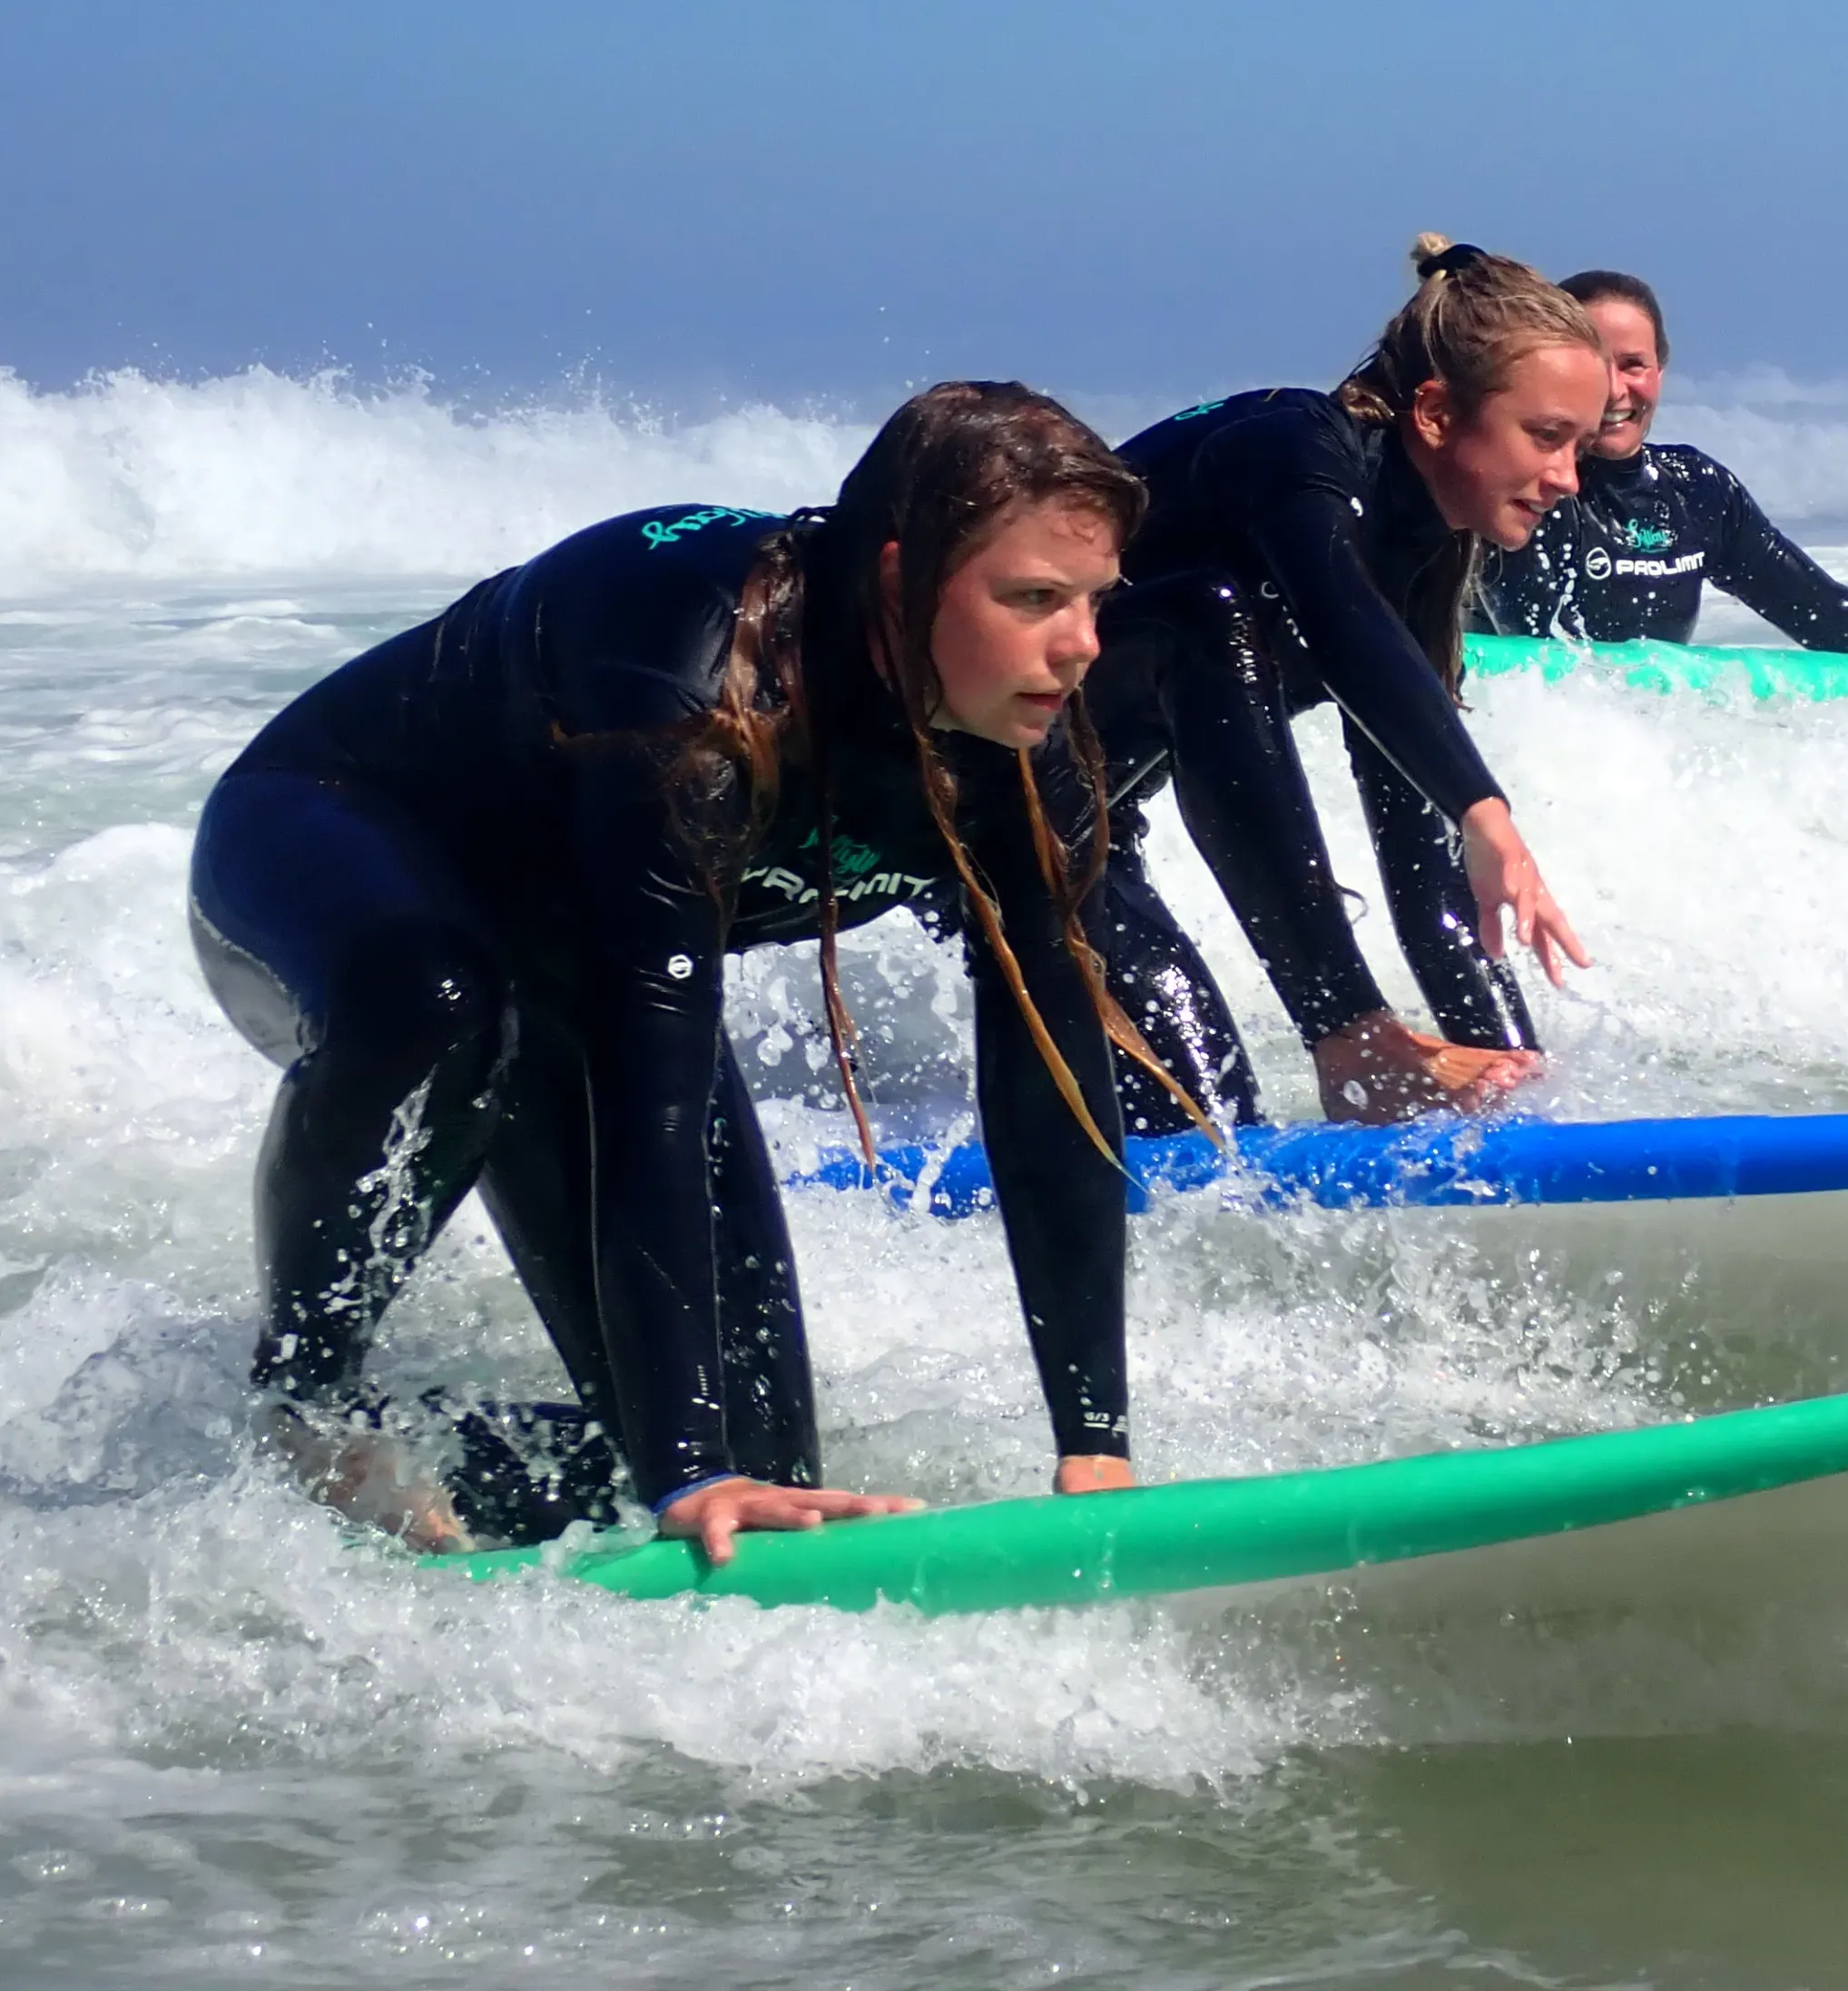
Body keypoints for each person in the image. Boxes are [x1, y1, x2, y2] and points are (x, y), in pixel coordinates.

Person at [189, 383, 1168, 1557]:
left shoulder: (1023, 755)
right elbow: (648, 1090)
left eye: (1094, 602)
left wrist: (1096, 1443)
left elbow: (1051, 1093)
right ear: (902, 582)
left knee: (775, 1492)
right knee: (442, 1009)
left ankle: (448, 1475)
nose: (1080, 647)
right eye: (1033, 599)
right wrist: (688, 1472)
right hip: (333, 834)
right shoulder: (701, 691)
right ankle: (306, 1395)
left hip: (570, 940)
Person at [1085, 240, 1602, 1129]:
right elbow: (1336, 620)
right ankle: (1352, 1034)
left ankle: (1366, 1046)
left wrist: (1519, 1082)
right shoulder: (1292, 453)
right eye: (1546, 437)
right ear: (1436, 413)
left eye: (1580, 446)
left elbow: (1419, 861)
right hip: (969, 801)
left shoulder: (1414, 563)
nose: (1567, 478)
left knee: (1219, 1123)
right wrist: (1487, 810)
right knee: (1212, 612)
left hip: (1084, 840)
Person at [1473, 270, 1848, 652]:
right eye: (1596, 366)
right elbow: (1529, 658)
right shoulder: (1527, 491)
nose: (1616, 390)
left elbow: (1825, 614)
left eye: (1633, 364)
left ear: (1660, 368)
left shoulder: (1697, 492)